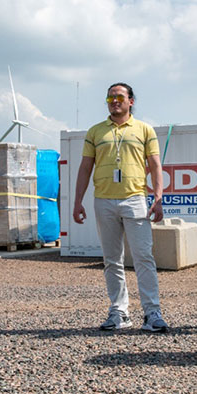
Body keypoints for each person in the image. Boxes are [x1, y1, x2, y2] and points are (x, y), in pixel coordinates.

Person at [72, 82, 168, 333]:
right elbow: (85, 167)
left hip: (135, 199)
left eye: (120, 97)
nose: (115, 101)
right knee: (112, 259)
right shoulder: (95, 131)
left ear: (131, 101)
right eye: (110, 97)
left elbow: (155, 165)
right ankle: (119, 311)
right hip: (103, 200)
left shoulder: (144, 129)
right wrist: (77, 200)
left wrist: (157, 197)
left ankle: (152, 312)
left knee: (143, 257)